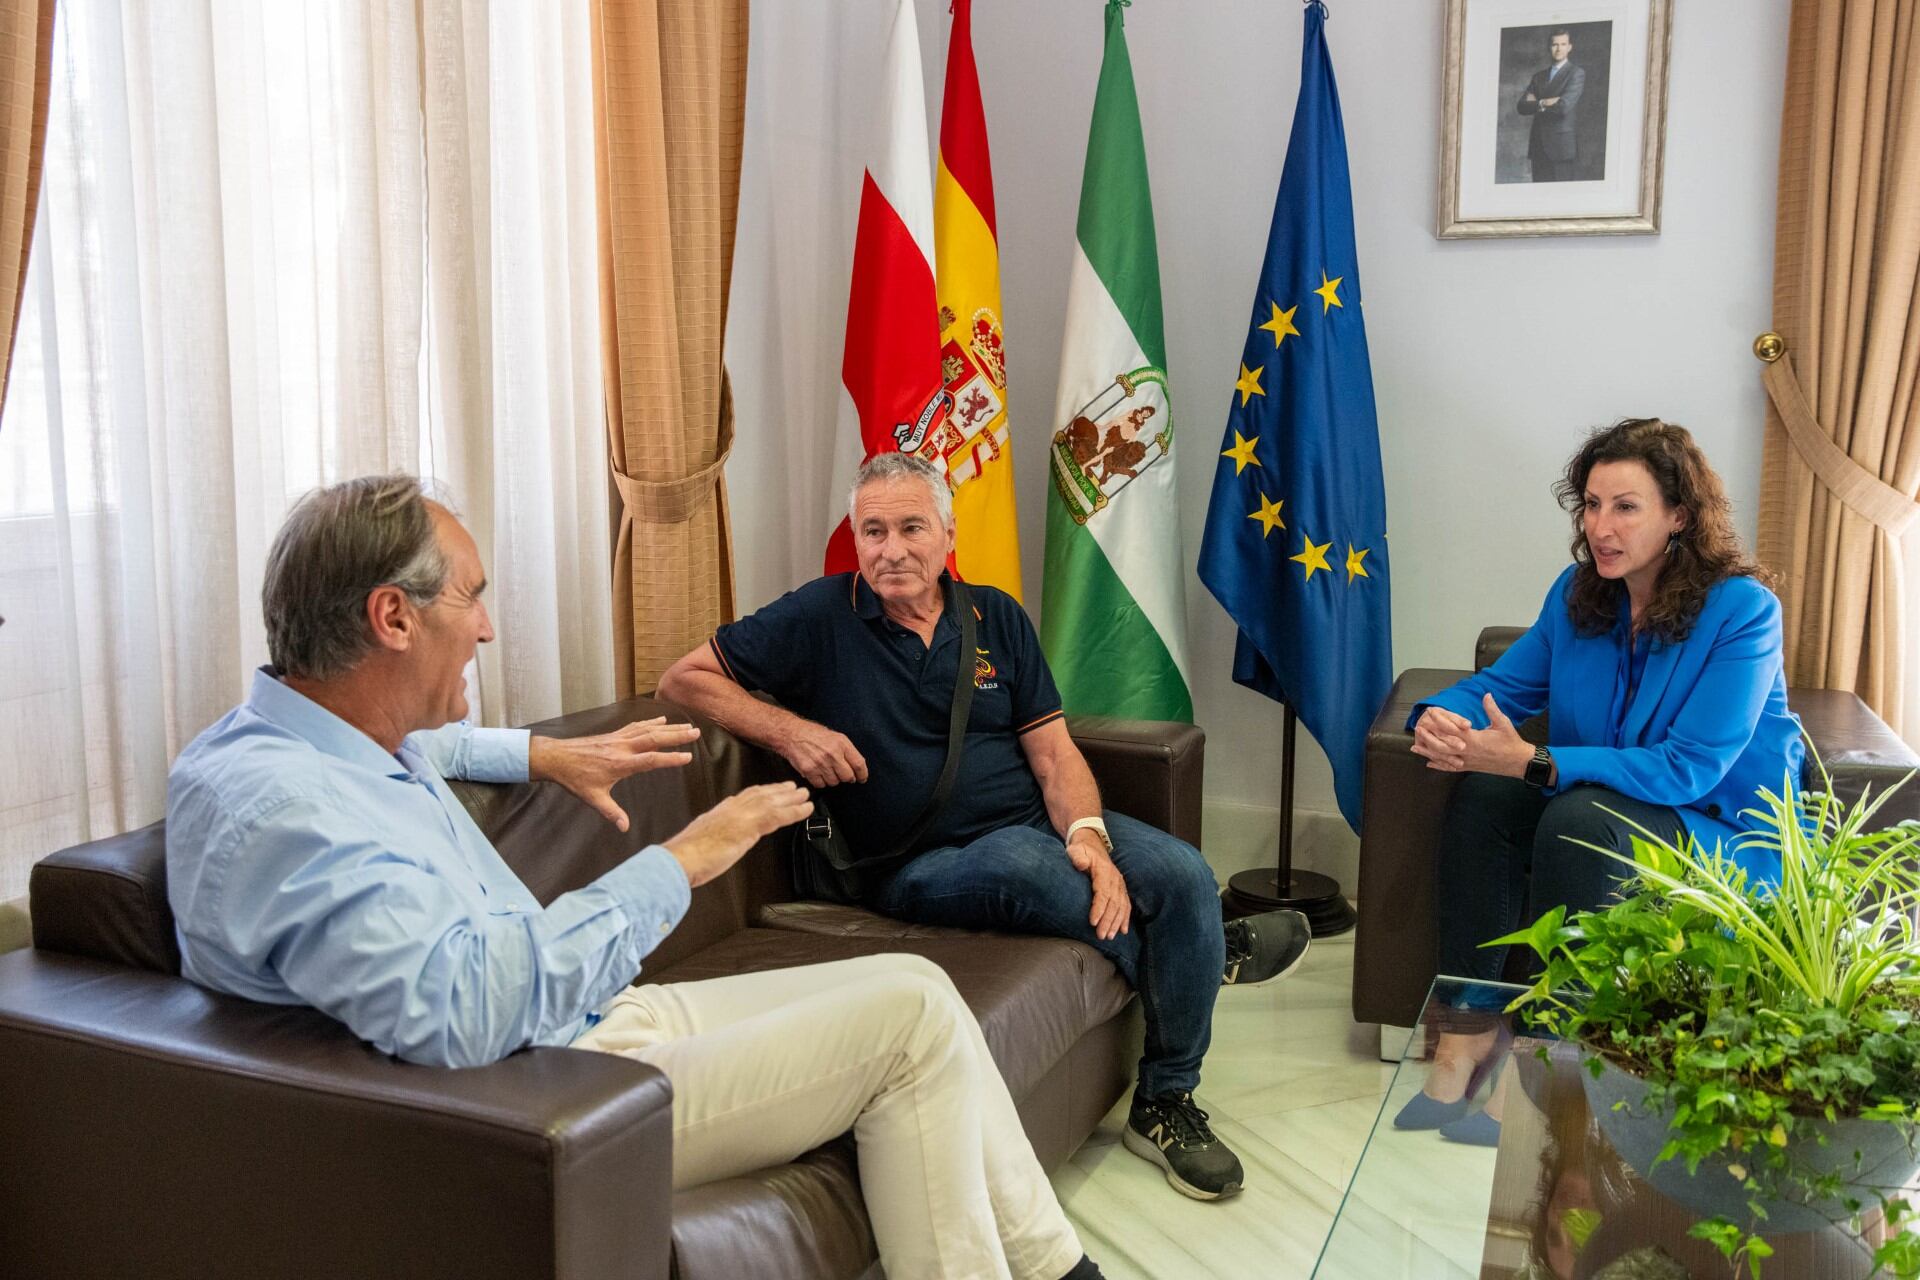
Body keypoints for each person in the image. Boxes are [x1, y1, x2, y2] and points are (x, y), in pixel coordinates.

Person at [166, 474, 1107, 1280]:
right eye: (472, 597)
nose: (489, 630)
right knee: (907, 1030)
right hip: (543, 1086)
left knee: (919, 987)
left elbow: (439, 739)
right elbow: (460, 1011)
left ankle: (1061, 1269)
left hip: (585, 1018)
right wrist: (686, 858)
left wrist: (547, 755)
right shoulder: (284, 810)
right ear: (393, 616)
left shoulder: (324, 729)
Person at [658, 451, 1313, 1202]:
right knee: (1025, 864)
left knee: (1184, 874)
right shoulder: (817, 616)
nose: (891, 549)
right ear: (855, 537)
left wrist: (1091, 841)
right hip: (912, 865)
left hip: (1035, 823)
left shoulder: (994, 615)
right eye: (873, 531)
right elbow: (684, 679)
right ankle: (1203, 955)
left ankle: (1164, 1101)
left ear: (947, 534)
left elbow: (1054, 754)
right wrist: (790, 732)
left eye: (911, 527)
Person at [1395, 419, 1802, 1141]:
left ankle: (1543, 1066)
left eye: (1625, 506)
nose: (1601, 527)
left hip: (1721, 830)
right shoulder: (1579, 594)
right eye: (1589, 504)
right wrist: (1438, 719)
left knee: (1574, 818)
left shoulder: (1744, 612)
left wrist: (1537, 762)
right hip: (1607, 807)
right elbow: (1501, 687)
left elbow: (1690, 766)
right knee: (1489, 793)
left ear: (1679, 515)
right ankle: (1465, 1033)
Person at [1517, 29, 1585, 182]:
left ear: (1569, 47)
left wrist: (1536, 102)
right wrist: (1544, 102)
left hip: (1561, 148)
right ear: (1549, 47)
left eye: (1563, 44)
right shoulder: (1538, 76)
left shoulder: (1576, 73)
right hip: (1538, 146)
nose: (1559, 48)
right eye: (1555, 44)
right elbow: (1521, 106)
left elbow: (1563, 107)